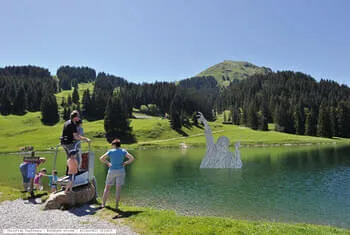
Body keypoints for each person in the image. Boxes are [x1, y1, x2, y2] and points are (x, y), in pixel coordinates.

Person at [99, 138, 135, 210]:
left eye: (112, 145)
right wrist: (125, 163)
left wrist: (108, 163)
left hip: (111, 171)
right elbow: (132, 158)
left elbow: (101, 158)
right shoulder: (123, 151)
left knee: (107, 188)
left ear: (114, 145)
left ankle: (103, 204)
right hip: (121, 171)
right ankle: (116, 206)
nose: (112, 146)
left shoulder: (110, 151)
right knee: (118, 189)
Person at [60, 110, 90, 174]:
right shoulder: (72, 124)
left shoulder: (67, 122)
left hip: (64, 143)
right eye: (78, 116)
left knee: (69, 158)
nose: (79, 118)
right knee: (76, 159)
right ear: (75, 117)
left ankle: (69, 172)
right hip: (69, 143)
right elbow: (76, 136)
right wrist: (86, 139)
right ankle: (76, 172)